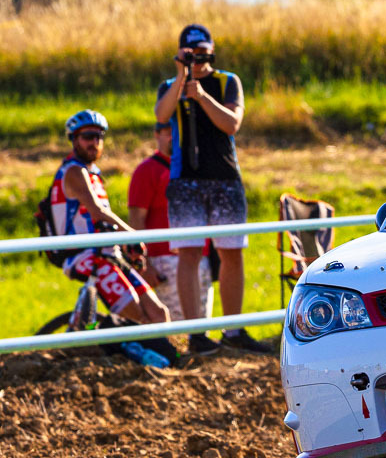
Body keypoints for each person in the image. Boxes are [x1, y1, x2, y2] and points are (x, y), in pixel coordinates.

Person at [154, 23, 270, 355]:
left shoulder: (228, 81)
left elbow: (231, 124)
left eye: (203, 52)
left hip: (225, 178)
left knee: (231, 252)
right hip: (184, 181)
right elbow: (161, 115)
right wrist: (181, 77)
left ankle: (233, 330)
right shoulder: (170, 86)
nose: (198, 58)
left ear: (212, 50)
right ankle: (196, 334)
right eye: (191, 53)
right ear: (180, 53)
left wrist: (202, 96)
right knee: (189, 253)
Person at [51, 110, 170, 328]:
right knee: (139, 319)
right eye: (88, 136)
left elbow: (102, 222)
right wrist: (132, 237)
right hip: (86, 256)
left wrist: (125, 245)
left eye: (99, 136)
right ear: (74, 140)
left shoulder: (93, 174)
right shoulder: (74, 172)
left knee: (159, 314)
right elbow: (97, 211)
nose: (94, 142)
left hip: (108, 253)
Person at [128, 120, 214, 323]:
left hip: (200, 258)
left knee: (201, 327)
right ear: (157, 135)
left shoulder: (196, 169)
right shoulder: (147, 170)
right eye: (168, 132)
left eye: (178, 131)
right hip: (165, 261)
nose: (174, 137)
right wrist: (144, 264)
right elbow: (136, 219)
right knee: (176, 327)